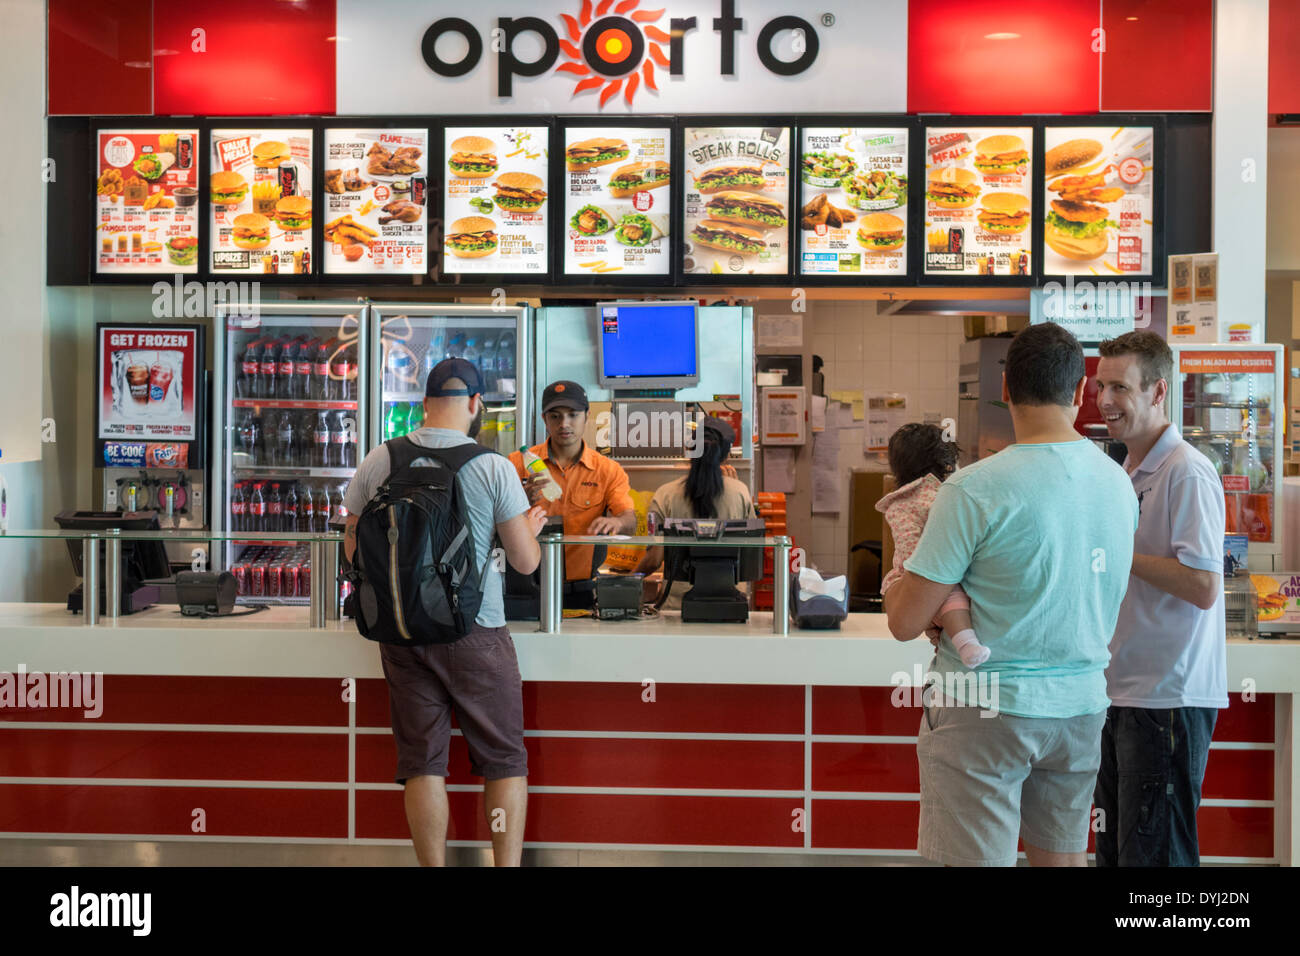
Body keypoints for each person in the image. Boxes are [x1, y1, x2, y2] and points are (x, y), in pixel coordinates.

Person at [884, 322, 1138, 867]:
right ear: (1078, 392)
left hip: (984, 704)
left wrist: (901, 563)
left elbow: (906, 620)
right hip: (1079, 705)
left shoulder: (973, 488)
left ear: (1005, 389)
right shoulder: (1118, 481)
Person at [342, 358, 547, 867]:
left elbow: (351, 546)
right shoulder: (494, 466)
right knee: (502, 761)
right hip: (475, 631)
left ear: (424, 403)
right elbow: (524, 562)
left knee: (422, 764)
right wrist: (531, 531)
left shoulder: (379, 460)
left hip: (401, 630)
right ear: (476, 404)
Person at [1093, 330, 1226, 866]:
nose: (1105, 401)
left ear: (1158, 391)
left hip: (1168, 697)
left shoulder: (1187, 471)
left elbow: (1203, 585)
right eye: (1101, 386)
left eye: (1120, 388)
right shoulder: (1129, 470)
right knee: (1120, 852)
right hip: (1123, 692)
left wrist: (1115, 554)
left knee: (1157, 859)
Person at [508, 380, 635, 608]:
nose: (564, 423)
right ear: (544, 419)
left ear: (586, 416)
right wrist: (519, 502)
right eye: (555, 416)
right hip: (525, 588)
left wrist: (615, 521)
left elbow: (629, 521)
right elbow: (495, 521)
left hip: (582, 592)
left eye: (572, 415)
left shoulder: (607, 470)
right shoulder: (516, 463)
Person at [876, 423, 989, 668]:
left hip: (920, 576)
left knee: (948, 600)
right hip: (935, 574)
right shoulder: (950, 496)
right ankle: (963, 640)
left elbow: (909, 549)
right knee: (952, 598)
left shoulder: (903, 502)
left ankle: (959, 640)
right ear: (947, 465)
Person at [635, 416, 755, 607]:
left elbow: (653, 560)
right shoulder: (740, 492)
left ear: (690, 450)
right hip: (729, 603)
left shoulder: (665, 494)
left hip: (677, 605)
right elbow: (751, 553)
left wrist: (629, 579)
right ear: (726, 455)